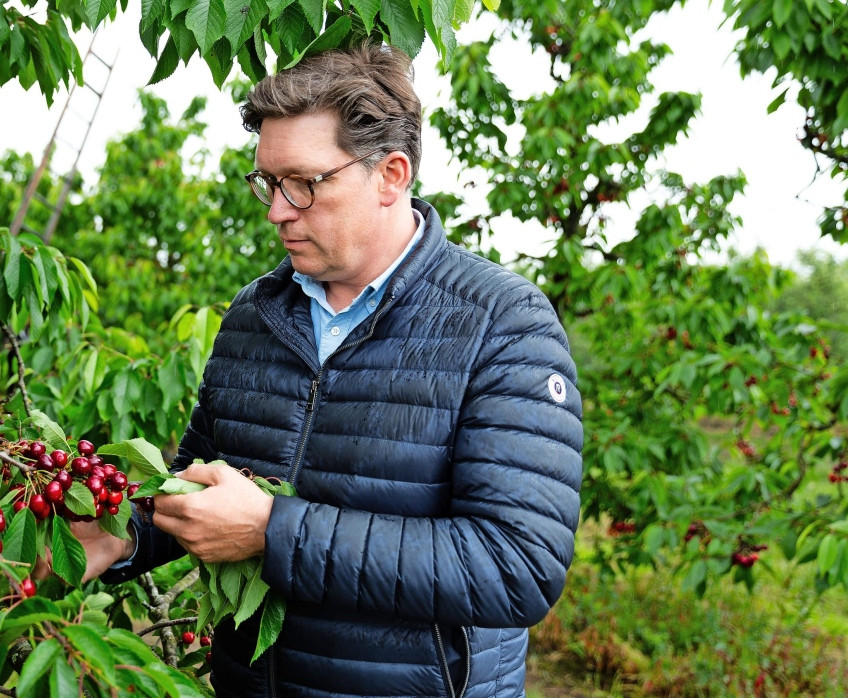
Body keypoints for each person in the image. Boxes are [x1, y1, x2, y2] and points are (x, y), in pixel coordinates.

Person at [76, 43, 583, 698]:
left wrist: (271, 531)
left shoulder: (501, 326)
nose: (276, 210)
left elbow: (517, 567)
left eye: (305, 184)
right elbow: (202, 480)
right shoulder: (256, 315)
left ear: (391, 175)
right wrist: (122, 534)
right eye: (267, 182)